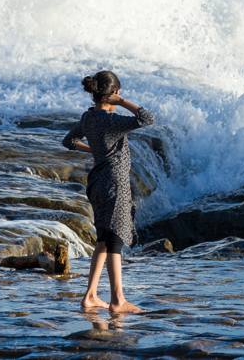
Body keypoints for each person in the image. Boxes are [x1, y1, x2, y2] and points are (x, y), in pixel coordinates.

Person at [62, 70, 155, 313]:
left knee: (103, 239)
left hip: (96, 184)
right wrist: (123, 103)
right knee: (114, 241)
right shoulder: (112, 121)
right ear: (111, 95)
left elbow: (68, 141)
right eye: (118, 95)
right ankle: (118, 301)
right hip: (115, 183)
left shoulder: (87, 118)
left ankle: (90, 296)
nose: (120, 99)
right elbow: (147, 118)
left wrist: (95, 151)